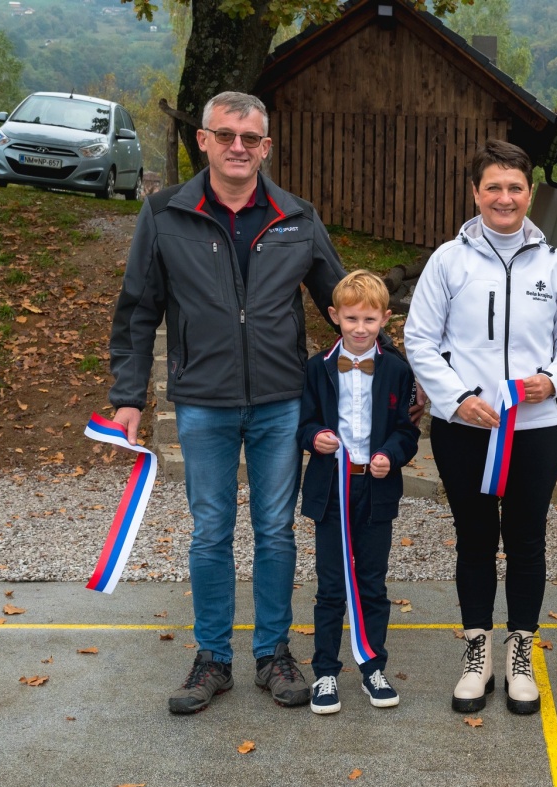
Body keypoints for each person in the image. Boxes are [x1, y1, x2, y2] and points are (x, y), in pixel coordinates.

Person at [109, 91, 345, 714]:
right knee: (210, 531)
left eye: (251, 137)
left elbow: (342, 305)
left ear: (266, 147)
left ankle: (273, 655)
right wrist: (129, 397)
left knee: (274, 531)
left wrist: (391, 380)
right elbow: (137, 311)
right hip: (203, 402)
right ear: (205, 142)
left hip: (279, 400)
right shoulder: (164, 213)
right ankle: (212, 657)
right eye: (226, 135)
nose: (238, 146)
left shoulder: (298, 217)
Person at [404, 139, 557, 715]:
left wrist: (554, 380)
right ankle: (477, 655)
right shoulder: (447, 261)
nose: (504, 197)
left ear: (529, 193)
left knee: (528, 540)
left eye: (515, 187)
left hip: (536, 430)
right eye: (494, 187)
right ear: (476, 194)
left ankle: (520, 660)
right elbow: (420, 340)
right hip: (465, 429)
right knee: (476, 539)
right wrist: (456, 398)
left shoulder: (556, 264)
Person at [297, 270, 420, 715]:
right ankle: (326, 672)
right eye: (351, 318)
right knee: (331, 585)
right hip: (332, 489)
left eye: (370, 319)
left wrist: (391, 454)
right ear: (335, 316)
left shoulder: (398, 370)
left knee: (371, 583)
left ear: (386, 318)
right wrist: (316, 438)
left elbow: (408, 432)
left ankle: (373, 666)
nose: (361, 328)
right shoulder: (316, 368)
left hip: (376, 490)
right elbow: (303, 423)